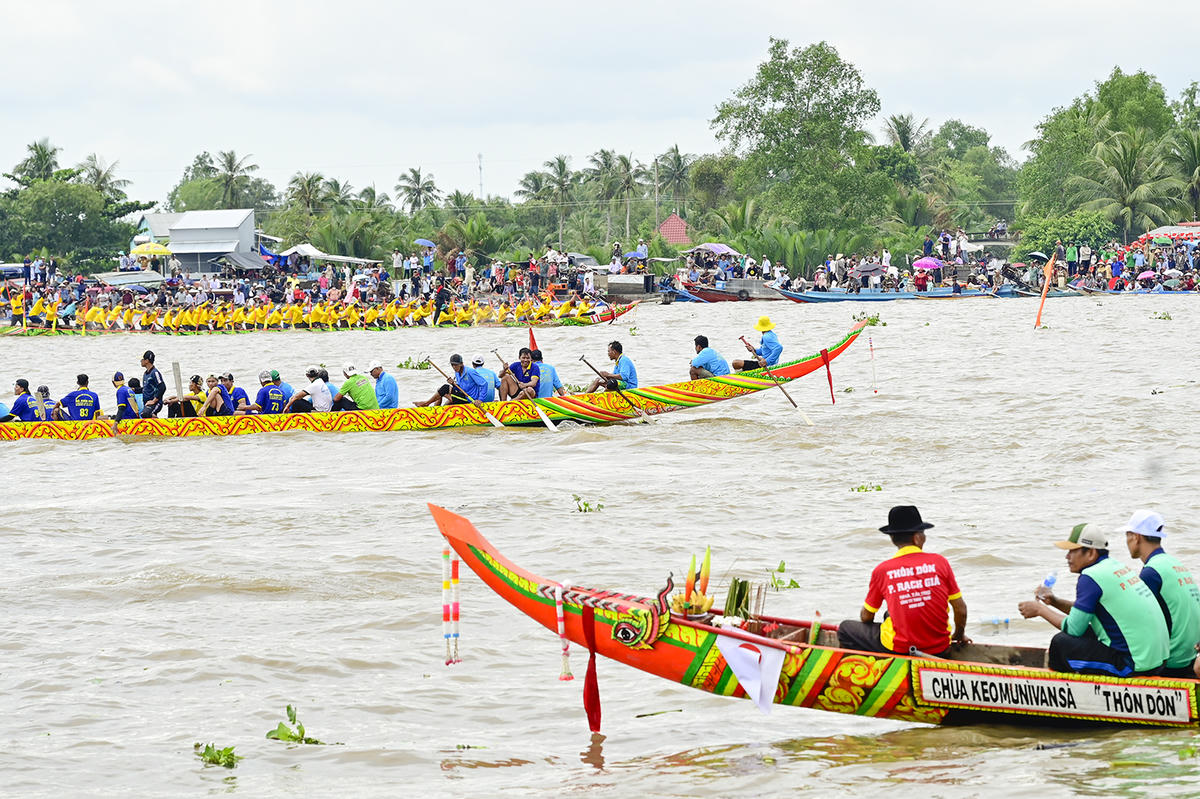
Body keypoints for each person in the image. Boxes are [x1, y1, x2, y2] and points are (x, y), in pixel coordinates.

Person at [1017, 523, 1168, 677]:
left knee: (1060, 643)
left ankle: (1064, 690)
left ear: (1090, 553)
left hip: (1132, 665)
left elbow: (1074, 628)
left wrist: (1040, 610)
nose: (1067, 557)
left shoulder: (1089, 576)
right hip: (1158, 661)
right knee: (1087, 632)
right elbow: (1082, 616)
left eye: (1072, 551)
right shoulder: (1114, 566)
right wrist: (1054, 602)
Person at [837, 506, 969, 657]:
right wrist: (958, 635)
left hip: (900, 648)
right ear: (917, 537)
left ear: (892, 538)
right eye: (923, 533)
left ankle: (869, 670)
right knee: (889, 614)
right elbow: (961, 610)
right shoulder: (940, 562)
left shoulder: (882, 570)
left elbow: (866, 617)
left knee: (844, 629)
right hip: (940, 648)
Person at [1122, 510, 1200, 678]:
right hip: (1190, 657)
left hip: (1171, 663)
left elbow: (1138, 622)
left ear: (1136, 536)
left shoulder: (1150, 573)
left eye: (1127, 535)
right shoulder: (1174, 564)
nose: (1126, 541)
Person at [415, 354, 491, 406]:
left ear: (461, 364)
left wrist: (480, 400)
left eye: (456, 365)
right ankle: (436, 410)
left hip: (470, 399)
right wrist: (453, 384)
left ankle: (426, 403)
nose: (454, 367)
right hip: (463, 396)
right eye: (452, 365)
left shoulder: (470, 371)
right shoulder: (457, 373)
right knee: (440, 390)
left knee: (445, 388)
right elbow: (460, 388)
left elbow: (484, 384)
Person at [140, 350, 165, 418]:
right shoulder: (145, 373)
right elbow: (146, 388)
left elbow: (162, 387)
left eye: (142, 359)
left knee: (145, 414)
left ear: (147, 361)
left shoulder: (155, 373)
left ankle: (160, 426)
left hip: (156, 403)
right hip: (147, 404)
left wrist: (154, 401)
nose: (141, 361)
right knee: (143, 414)